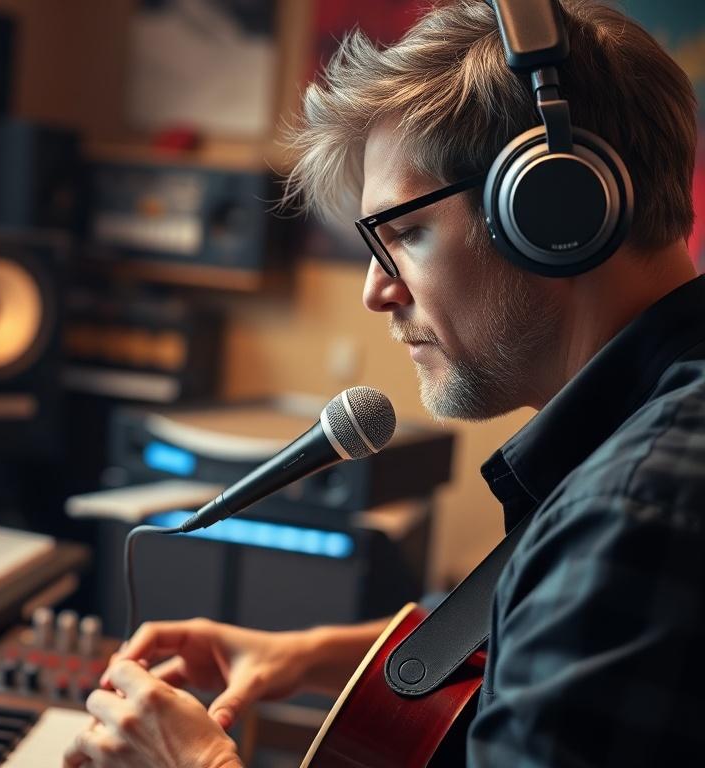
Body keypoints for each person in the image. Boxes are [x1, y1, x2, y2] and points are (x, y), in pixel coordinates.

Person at [64, 0, 702, 765]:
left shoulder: (636, 508)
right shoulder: (644, 441)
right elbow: (546, 618)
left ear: (553, 209)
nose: (377, 290)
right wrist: (312, 653)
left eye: (403, 234)